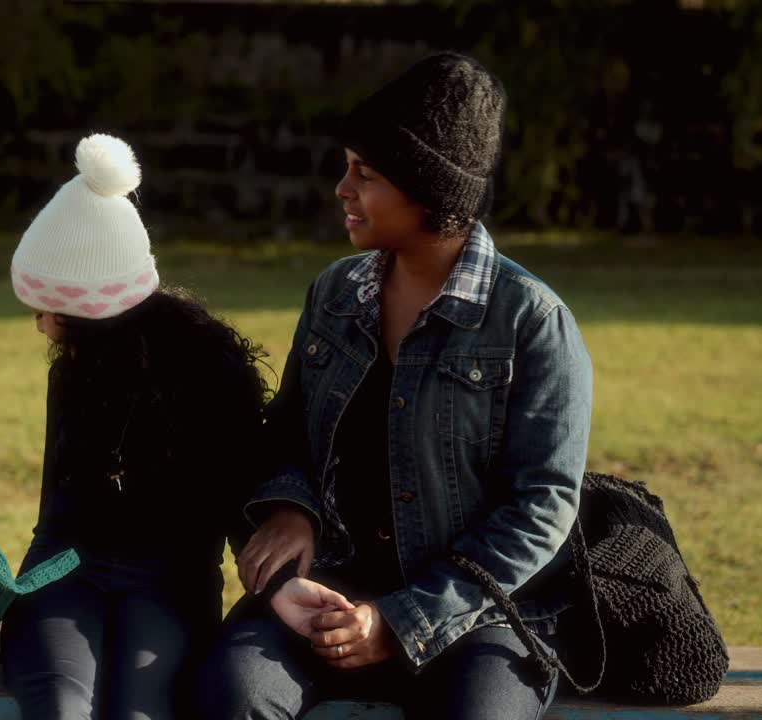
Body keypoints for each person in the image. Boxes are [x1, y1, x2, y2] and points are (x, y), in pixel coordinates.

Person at [193, 52, 594, 720]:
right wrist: (292, 510)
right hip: (333, 590)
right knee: (231, 697)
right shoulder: (335, 294)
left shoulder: (532, 320)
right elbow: (287, 435)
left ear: (429, 193)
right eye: (348, 168)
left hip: (480, 615)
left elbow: (541, 507)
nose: (341, 190)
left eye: (366, 175)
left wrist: (402, 620)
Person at [0, 134, 267, 720]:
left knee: (138, 711)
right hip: (68, 566)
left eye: (47, 311)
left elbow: (236, 510)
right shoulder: (73, 374)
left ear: (91, 315)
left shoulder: (212, 376)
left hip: (169, 579)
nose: (40, 327)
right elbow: (54, 514)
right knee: (61, 705)